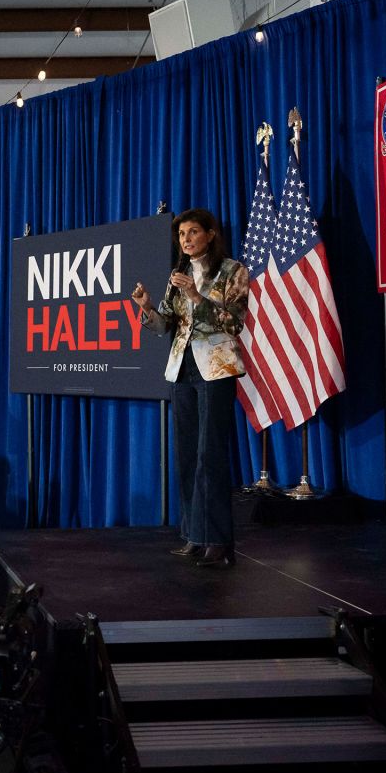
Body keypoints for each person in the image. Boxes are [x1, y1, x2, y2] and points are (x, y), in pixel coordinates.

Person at [132, 208, 250, 568]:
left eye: (193, 232)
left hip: (216, 368)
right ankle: (193, 536)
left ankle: (218, 541)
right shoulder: (178, 275)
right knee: (185, 456)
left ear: (211, 234)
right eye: (181, 234)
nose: (185, 239)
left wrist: (198, 298)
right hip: (181, 369)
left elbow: (235, 323)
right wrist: (147, 308)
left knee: (209, 456)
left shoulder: (233, 270)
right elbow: (165, 325)